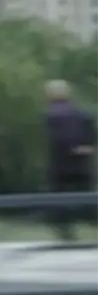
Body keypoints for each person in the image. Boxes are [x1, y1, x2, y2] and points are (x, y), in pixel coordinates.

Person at [43, 79, 96, 242]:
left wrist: (72, 148)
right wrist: (87, 147)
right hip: (82, 163)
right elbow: (92, 132)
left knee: (59, 199)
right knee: (87, 196)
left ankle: (65, 232)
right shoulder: (82, 113)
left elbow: (60, 137)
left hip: (60, 163)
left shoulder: (51, 114)